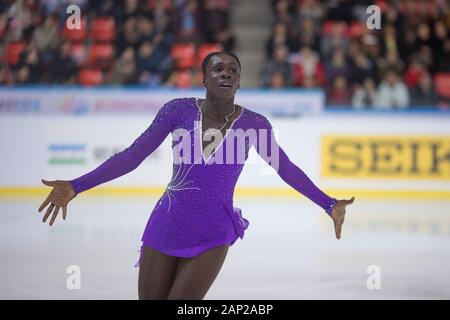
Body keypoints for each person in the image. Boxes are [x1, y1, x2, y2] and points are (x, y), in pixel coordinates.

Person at [38, 51, 355, 300]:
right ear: (204, 79)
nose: (226, 72)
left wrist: (329, 204)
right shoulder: (178, 110)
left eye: (232, 69)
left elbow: (285, 169)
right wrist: (76, 186)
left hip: (213, 230)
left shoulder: (254, 125)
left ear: (240, 82)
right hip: (166, 222)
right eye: (218, 69)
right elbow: (132, 156)